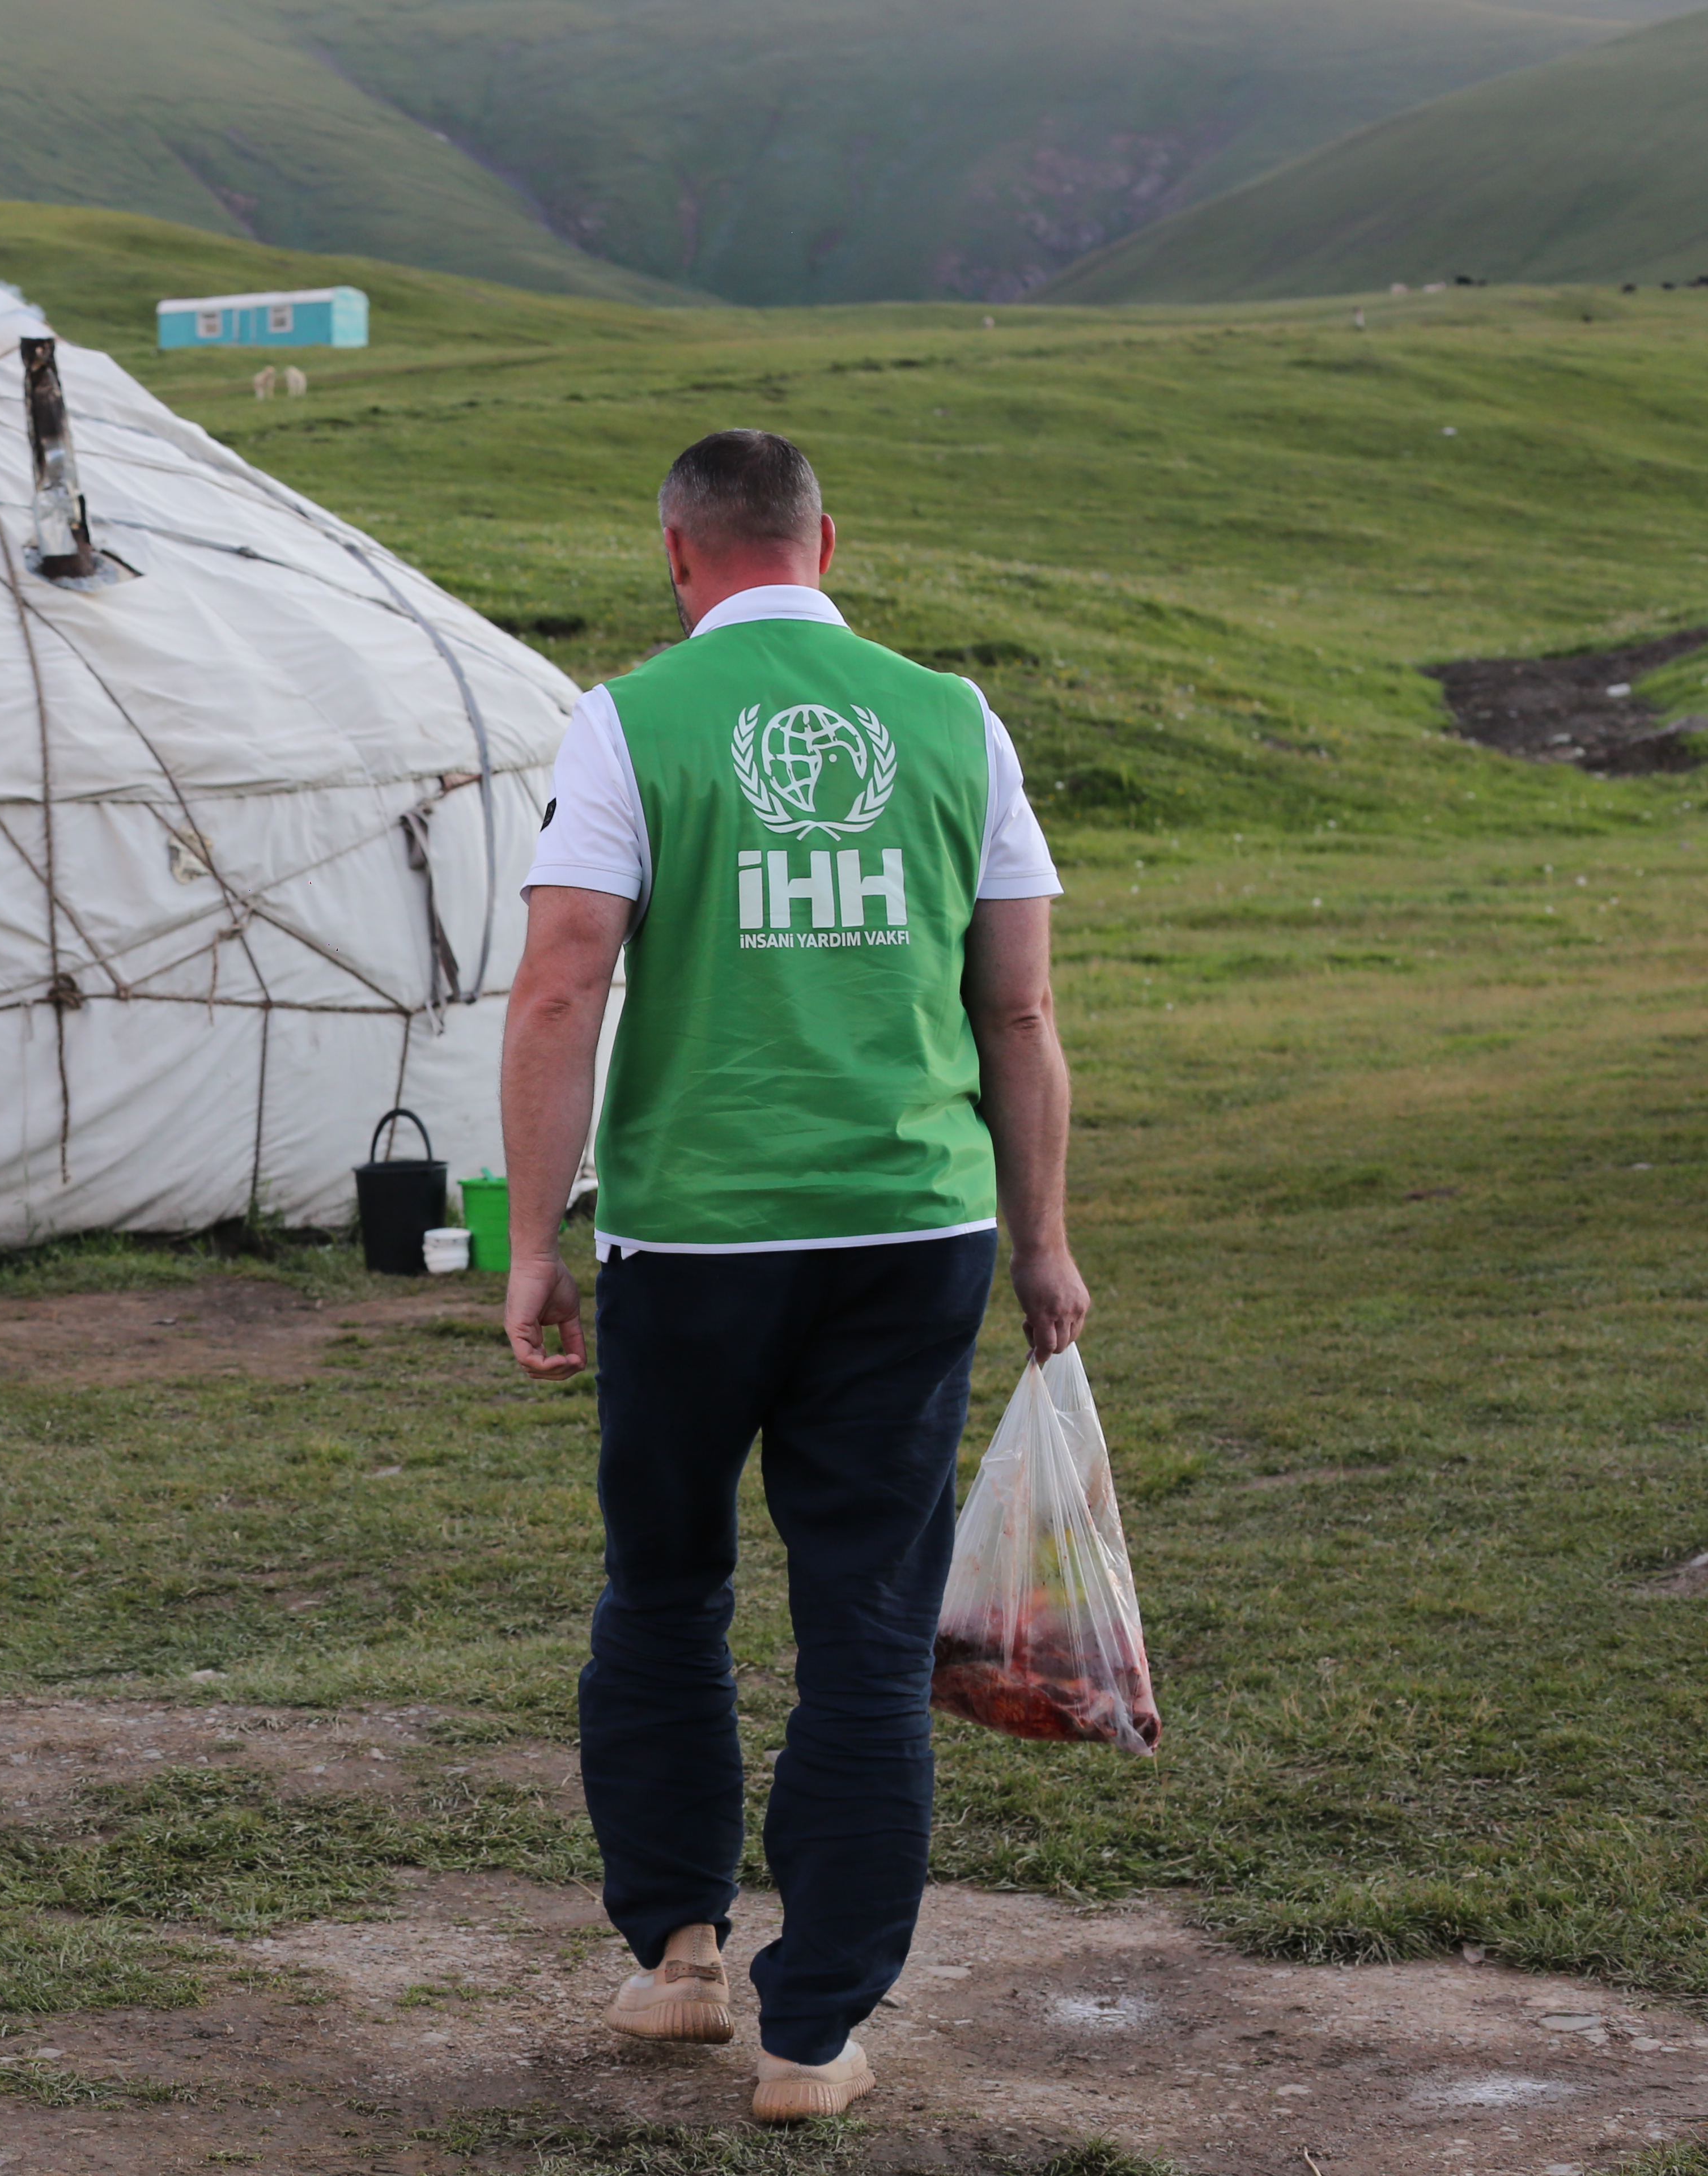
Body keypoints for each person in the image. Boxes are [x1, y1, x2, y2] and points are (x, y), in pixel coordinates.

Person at [497, 429, 1087, 2124]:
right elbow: (1022, 1010)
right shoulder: (953, 721)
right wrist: (1042, 1239)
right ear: (825, 542)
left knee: (668, 1586)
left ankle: (677, 1953)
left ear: (676, 552)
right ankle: (812, 2036)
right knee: (867, 1626)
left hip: (694, 1240)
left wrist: (534, 1241)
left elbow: (560, 984)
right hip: (909, 1231)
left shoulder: (627, 721)